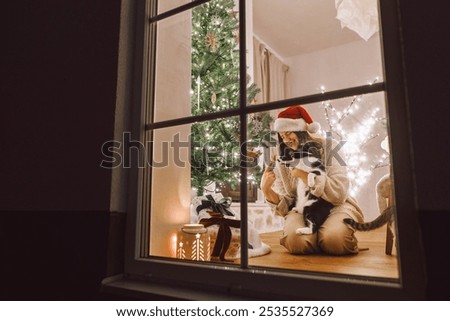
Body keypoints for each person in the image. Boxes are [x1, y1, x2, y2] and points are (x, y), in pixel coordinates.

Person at [260, 105, 364, 255]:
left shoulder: (329, 146)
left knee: (334, 239)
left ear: (302, 130)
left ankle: (325, 238)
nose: (286, 140)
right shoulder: (282, 158)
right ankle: (319, 239)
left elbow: (339, 192)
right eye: (282, 136)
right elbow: (287, 203)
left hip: (335, 204)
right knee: (295, 241)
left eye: (289, 133)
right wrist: (266, 190)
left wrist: (304, 175)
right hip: (305, 208)